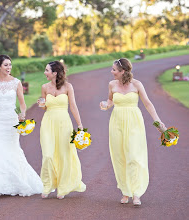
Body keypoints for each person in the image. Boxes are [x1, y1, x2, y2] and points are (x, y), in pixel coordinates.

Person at [99, 58, 166, 206]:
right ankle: (125, 191)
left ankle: (136, 193)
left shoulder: (137, 84)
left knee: (134, 156)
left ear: (123, 71)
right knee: (119, 156)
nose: (112, 72)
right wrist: (105, 105)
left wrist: (157, 121)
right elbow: (110, 101)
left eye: (114, 70)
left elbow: (148, 104)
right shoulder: (111, 84)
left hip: (134, 123)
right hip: (116, 122)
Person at [0, 55, 43, 197]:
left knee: (12, 149)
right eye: (6, 65)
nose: (9, 68)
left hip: (11, 120)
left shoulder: (16, 82)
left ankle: (17, 183)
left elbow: (22, 103)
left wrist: (23, 114)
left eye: (10, 65)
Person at [37, 60, 86, 200]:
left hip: (64, 123)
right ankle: (48, 185)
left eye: (47, 70)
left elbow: (73, 107)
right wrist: (41, 104)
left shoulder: (68, 87)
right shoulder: (44, 87)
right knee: (47, 155)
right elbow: (44, 106)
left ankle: (63, 187)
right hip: (48, 123)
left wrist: (80, 125)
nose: (45, 73)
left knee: (64, 154)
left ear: (55, 73)